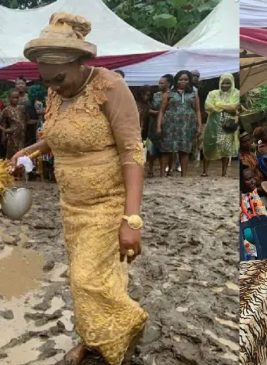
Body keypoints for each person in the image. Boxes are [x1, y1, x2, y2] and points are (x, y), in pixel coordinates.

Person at [13, 13, 147, 364]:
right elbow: (57, 136)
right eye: (46, 81)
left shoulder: (110, 87)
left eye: (58, 78)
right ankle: (92, 338)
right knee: (89, 278)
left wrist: (131, 219)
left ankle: (129, 323)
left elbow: (133, 152)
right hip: (71, 206)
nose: (53, 87)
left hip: (108, 203)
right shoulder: (58, 94)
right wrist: (31, 150)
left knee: (86, 278)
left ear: (80, 61)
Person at [156, 70, 202, 177]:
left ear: (190, 81)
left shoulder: (194, 95)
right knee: (166, 149)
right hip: (169, 125)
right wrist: (158, 126)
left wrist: (199, 126)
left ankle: (184, 175)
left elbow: (198, 111)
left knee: (184, 150)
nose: (183, 82)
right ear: (176, 80)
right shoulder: (168, 94)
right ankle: (162, 174)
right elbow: (162, 111)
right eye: (180, 79)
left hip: (187, 126)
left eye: (186, 80)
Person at [202, 72, 238, 177]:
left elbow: (234, 108)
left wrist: (218, 104)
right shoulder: (213, 93)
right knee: (208, 147)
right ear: (220, 82)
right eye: (223, 83)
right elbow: (208, 106)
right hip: (213, 125)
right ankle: (204, 171)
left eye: (228, 83)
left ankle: (224, 173)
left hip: (228, 125)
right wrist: (227, 107)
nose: (225, 86)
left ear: (232, 83)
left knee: (225, 148)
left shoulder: (236, 93)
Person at [148, 74, 172, 177]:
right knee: (152, 148)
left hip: (169, 124)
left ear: (169, 84)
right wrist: (159, 112)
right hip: (154, 124)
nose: (159, 85)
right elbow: (149, 108)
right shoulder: (155, 95)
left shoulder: (173, 95)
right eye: (159, 82)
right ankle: (150, 168)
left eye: (162, 83)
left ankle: (167, 170)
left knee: (167, 148)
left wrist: (163, 113)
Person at [1, 90, 27, 164]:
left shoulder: (22, 108)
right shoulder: (6, 110)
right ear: (9, 98)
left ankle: (21, 171)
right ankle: (9, 171)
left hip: (22, 135)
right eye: (13, 98)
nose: (15, 99)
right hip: (12, 135)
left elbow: (25, 120)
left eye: (17, 98)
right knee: (12, 153)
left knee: (21, 152)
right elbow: (3, 122)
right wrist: (4, 132)